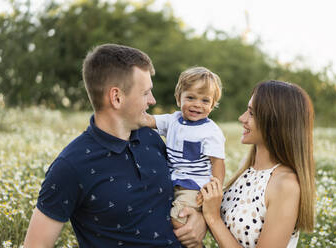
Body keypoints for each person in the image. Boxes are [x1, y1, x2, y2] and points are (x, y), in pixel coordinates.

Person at [24, 44, 206, 248]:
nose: (152, 101)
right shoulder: (70, 166)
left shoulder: (151, 138)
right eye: (145, 93)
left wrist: (200, 219)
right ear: (116, 97)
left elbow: (188, 184)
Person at [199, 80, 315, 248]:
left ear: (275, 123)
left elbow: (216, 219)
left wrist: (213, 218)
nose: (242, 118)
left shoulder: (286, 185)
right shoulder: (247, 170)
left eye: (252, 114)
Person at [143, 67, 225, 229]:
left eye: (205, 100)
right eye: (191, 97)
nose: (197, 105)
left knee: (178, 220)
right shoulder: (173, 120)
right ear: (179, 98)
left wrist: (213, 194)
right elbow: (148, 120)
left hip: (194, 188)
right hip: (171, 183)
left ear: (212, 104)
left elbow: (217, 164)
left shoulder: (210, 132)